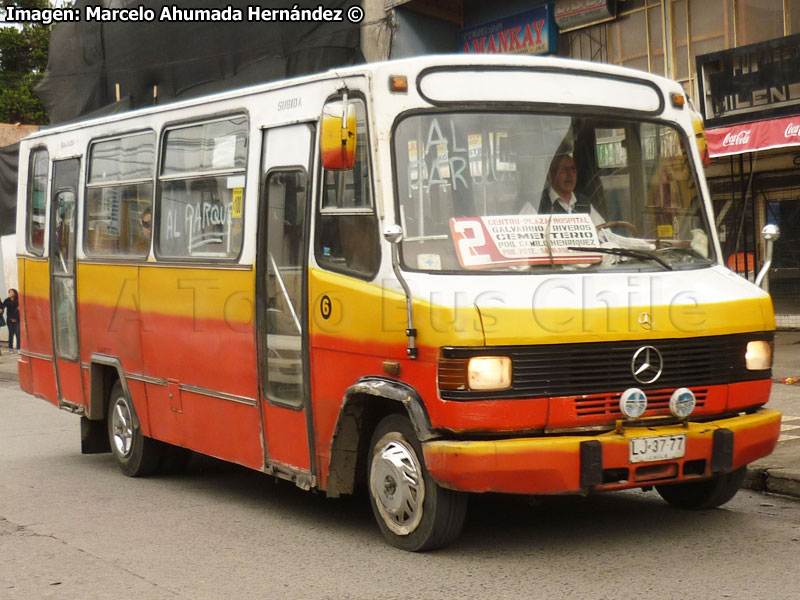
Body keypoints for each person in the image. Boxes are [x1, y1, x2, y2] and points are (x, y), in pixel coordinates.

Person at [537, 153, 604, 226]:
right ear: (550, 174)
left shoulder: (583, 203)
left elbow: (603, 231)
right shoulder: (538, 203)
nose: (569, 174)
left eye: (573, 169)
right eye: (563, 169)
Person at [3, 289, 20, 353]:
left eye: (11, 292)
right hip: (9, 319)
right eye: (9, 292)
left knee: (18, 334)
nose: (10, 293)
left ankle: (19, 348)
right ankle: (10, 348)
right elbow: (2, 306)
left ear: (15, 293)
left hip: (17, 319)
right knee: (11, 333)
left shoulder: (18, 300)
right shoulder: (7, 300)